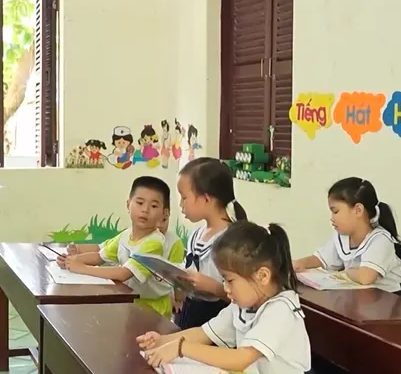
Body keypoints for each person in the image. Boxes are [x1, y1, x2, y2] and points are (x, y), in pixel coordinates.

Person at [137, 221, 311, 374]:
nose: (225, 288)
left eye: (230, 280)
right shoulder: (243, 305)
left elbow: (241, 358)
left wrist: (181, 347)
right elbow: (205, 333)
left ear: (262, 276)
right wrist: (163, 341)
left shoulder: (281, 310)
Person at [59, 176, 179, 316]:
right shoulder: (125, 235)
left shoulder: (154, 242)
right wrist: (72, 260)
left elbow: (123, 273)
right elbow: (99, 256)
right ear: (128, 205)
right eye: (140, 203)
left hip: (154, 307)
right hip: (131, 300)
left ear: (164, 213)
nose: (145, 210)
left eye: (153, 206)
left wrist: (82, 268)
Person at [292, 177, 401, 296]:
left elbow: (366, 277)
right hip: (362, 296)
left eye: (335, 211)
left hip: (391, 298)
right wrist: (300, 263)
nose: (332, 218)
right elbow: (322, 259)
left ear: (358, 210)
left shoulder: (381, 240)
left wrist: (345, 273)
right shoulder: (342, 237)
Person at [174, 157, 247, 329]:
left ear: (206, 199)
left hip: (218, 319)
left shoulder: (232, 239)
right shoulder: (196, 235)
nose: (181, 204)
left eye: (184, 197)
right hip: (189, 313)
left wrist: (213, 288)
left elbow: (244, 297)